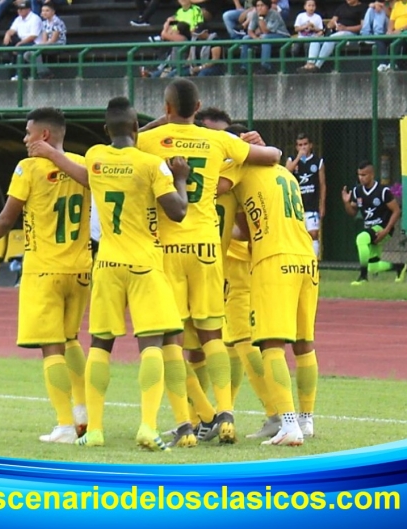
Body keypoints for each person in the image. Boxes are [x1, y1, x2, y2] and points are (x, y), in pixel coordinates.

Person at [29, 97, 191, 450]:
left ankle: (96, 431)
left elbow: (82, 176)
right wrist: (181, 179)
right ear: (136, 128)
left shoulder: (96, 157)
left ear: (105, 130)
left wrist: (50, 152)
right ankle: (148, 426)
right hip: (144, 264)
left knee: (100, 346)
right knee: (151, 344)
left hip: (107, 264)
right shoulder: (150, 164)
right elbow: (178, 212)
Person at [136, 79, 283, 447]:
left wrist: (159, 123)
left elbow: (121, 141)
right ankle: (226, 414)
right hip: (207, 249)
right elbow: (273, 156)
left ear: (166, 107)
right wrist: (251, 144)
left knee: (169, 340)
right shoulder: (218, 141)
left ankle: (195, 420)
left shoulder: (150, 140)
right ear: (198, 107)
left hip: (167, 248)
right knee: (212, 336)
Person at [0, 107, 91, 444]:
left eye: (28, 133)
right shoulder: (83, 164)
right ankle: (83, 412)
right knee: (72, 339)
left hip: (44, 269)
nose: (25, 139)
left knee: (51, 346)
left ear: (44, 135)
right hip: (81, 268)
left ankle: (65, 425)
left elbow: (7, 217)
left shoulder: (27, 168)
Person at [218, 124, 319, 446]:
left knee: (271, 344)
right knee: (304, 344)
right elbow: (252, 224)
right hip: (306, 258)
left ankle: (287, 424)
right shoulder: (285, 173)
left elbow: (213, 189)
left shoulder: (237, 169)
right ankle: (306, 420)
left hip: (273, 259)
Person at [341, 160, 407, 285]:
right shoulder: (357, 191)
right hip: (370, 228)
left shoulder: (383, 191)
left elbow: (396, 211)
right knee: (373, 266)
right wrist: (346, 203)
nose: (361, 178)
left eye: (364, 175)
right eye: (359, 175)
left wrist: (386, 230)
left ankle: (363, 277)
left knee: (361, 238)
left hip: (382, 228)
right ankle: (399, 267)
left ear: (372, 175)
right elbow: (352, 212)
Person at [286, 133, 326, 260]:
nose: (303, 147)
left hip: (312, 204)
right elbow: (286, 172)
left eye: (305, 144)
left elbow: (322, 184)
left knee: (313, 234)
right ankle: (298, 262)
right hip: (295, 205)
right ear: (296, 147)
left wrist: (322, 204)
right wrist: (298, 158)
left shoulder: (318, 162)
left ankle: (313, 262)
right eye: (300, 145)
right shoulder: (292, 159)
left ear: (310, 145)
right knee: (296, 235)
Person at [297, 0, 365, 73]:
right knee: (316, 39)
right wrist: (328, 28)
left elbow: (363, 26)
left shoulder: (362, 8)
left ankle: (317, 66)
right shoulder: (342, 7)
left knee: (331, 39)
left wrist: (346, 28)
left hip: (351, 34)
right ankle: (310, 64)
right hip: (336, 32)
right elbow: (332, 21)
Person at [240, 0, 290, 74]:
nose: (260, 8)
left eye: (262, 5)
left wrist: (260, 18)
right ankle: (245, 68)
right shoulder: (255, 14)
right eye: (258, 6)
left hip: (281, 36)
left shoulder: (274, 14)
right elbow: (250, 31)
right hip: (265, 36)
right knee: (245, 39)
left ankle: (265, 67)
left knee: (265, 38)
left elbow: (266, 31)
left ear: (267, 6)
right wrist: (255, 38)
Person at [3, 0, 41, 80]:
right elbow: (12, 30)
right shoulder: (18, 19)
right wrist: (7, 34)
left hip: (34, 43)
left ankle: (20, 75)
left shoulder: (35, 18)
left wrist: (20, 43)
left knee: (21, 48)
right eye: (18, 9)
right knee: (8, 41)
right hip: (22, 41)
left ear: (28, 9)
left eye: (22, 9)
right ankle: (11, 63)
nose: (19, 11)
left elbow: (33, 36)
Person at [30, 1, 67, 79]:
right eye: (43, 11)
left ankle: (42, 73)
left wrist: (39, 46)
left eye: (47, 11)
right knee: (27, 54)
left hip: (58, 45)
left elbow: (53, 40)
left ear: (53, 12)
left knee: (35, 49)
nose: (44, 13)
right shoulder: (44, 23)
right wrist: (40, 45)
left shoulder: (57, 21)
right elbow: (44, 39)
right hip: (48, 45)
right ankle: (45, 72)